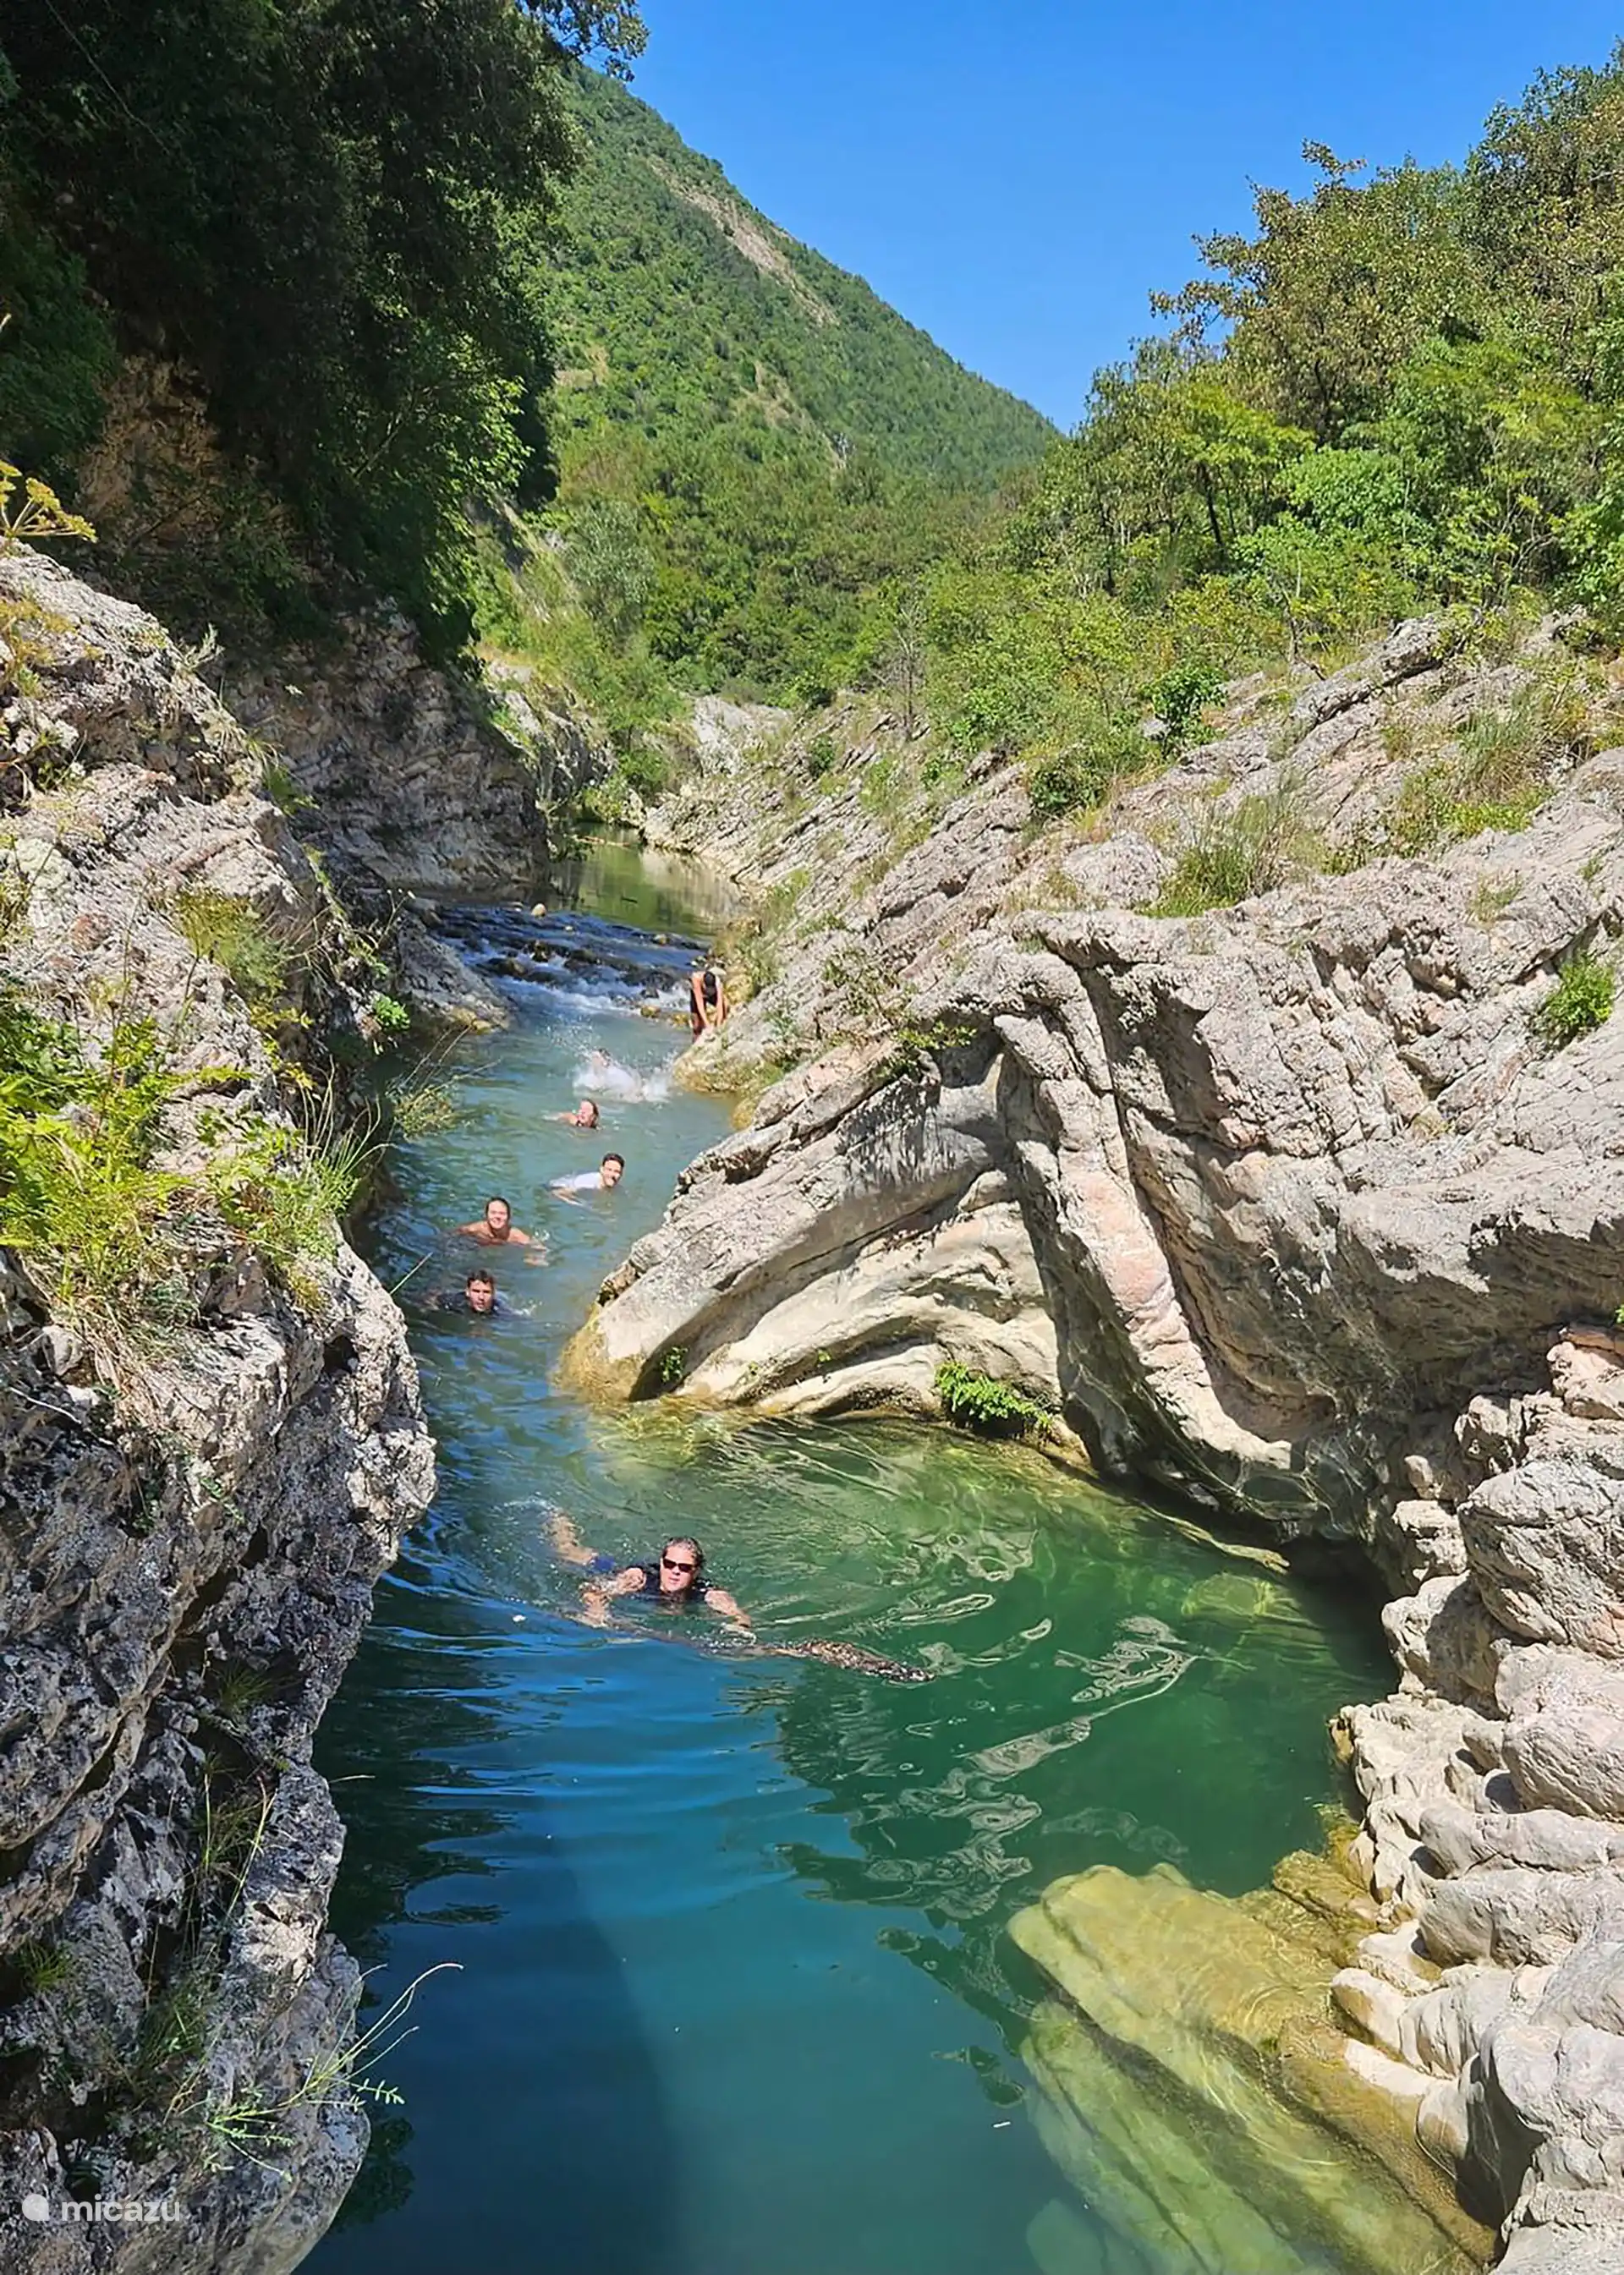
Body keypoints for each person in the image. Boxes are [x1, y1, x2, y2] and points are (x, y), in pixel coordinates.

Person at [551, 1515, 749, 1631]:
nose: (675, 1572)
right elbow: (592, 1590)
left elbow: (739, 1615)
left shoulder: (705, 1592)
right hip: (616, 1568)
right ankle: (558, 1519)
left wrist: (739, 1627)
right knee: (569, 1552)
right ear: (661, 1563)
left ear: (696, 1571)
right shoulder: (637, 1580)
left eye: (684, 1567)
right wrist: (597, 1613)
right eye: (670, 1564)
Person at [458, 1196, 540, 1248]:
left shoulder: (515, 1236)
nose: (497, 1217)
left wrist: (535, 1257)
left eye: (502, 1213)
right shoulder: (477, 1229)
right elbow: (455, 1233)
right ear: (486, 1215)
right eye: (493, 1213)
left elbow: (537, 1246)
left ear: (509, 1217)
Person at [551, 1152, 624, 1202]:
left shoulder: (617, 1187)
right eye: (609, 1170)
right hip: (554, 1188)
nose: (612, 1175)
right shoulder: (587, 1183)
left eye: (616, 1171)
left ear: (621, 1174)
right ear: (601, 1170)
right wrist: (580, 1205)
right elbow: (557, 1193)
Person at [431, 1269, 505, 1316]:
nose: (481, 1297)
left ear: (493, 1294)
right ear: (468, 1292)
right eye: (476, 1291)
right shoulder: (455, 1301)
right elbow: (432, 1300)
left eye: (486, 1292)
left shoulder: (499, 1309)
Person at [689, 962, 728, 1039]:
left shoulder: (717, 982)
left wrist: (719, 1026)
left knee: (726, 1005)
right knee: (697, 1023)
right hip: (697, 995)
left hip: (710, 992)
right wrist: (707, 1024)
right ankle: (696, 1040)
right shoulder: (696, 980)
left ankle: (721, 1027)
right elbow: (700, 1005)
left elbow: (719, 1004)